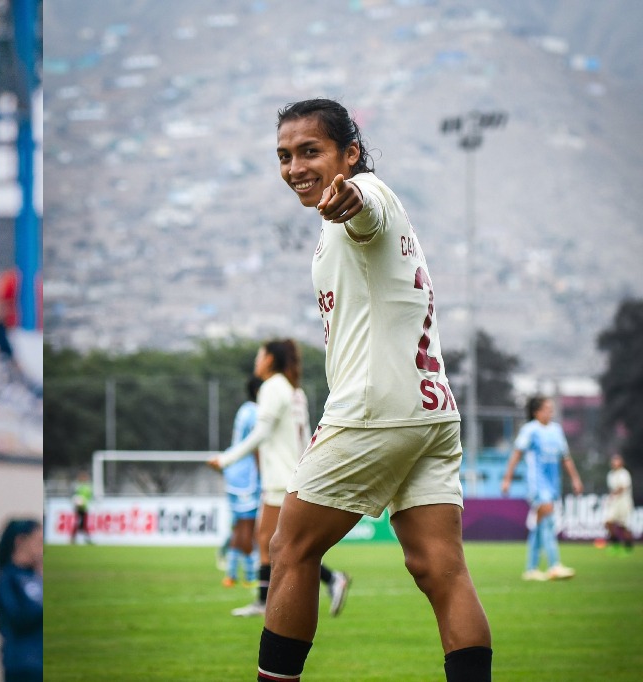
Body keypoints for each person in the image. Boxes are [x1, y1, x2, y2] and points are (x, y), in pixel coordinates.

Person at [251, 98, 493, 682]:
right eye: (284, 156)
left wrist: (353, 198)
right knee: (442, 570)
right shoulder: (356, 220)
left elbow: (368, 210)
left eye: (311, 151)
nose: (295, 168)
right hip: (431, 414)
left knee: (289, 551)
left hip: (372, 411)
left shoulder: (368, 196)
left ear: (350, 154)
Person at [209, 340, 349, 618]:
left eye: (260, 356)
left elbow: (260, 433)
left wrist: (225, 460)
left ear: (270, 360)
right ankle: (269, 598)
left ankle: (330, 579)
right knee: (272, 540)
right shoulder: (295, 391)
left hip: (279, 477)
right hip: (295, 472)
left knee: (275, 541)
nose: (257, 362)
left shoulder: (272, 387)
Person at [501, 396, 583, 580]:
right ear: (536, 412)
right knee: (547, 519)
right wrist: (507, 478)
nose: (550, 412)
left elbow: (565, 457)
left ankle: (531, 569)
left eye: (551, 408)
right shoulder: (530, 430)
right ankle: (554, 565)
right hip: (537, 483)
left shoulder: (556, 430)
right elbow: (517, 454)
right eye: (547, 408)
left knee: (539, 525)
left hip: (553, 484)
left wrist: (575, 479)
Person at [216, 375, 264, 588]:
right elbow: (256, 446)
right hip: (247, 476)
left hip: (234, 473)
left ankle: (231, 573)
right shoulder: (256, 413)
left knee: (239, 527)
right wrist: (263, 473)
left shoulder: (244, 409)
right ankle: (251, 575)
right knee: (248, 526)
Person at [0, 519, 43, 682]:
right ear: (20, 541)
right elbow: (16, 617)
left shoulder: (35, 577)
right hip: (23, 664)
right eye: (38, 541)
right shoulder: (7, 577)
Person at [604, 453, 634, 554]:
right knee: (608, 522)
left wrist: (613, 494)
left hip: (624, 502)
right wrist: (611, 497)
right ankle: (615, 544)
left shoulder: (624, 474)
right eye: (613, 460)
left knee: (623, 526)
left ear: (621, 463)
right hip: (614, 502)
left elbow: (622, 488)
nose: (614, 463)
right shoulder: (610, 474)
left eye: (617, 460)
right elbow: (612, 489)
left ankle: (628, 548)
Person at [70, 470, 93, 545]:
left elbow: (90, 497)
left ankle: (87, 539)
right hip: (78, 508)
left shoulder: (88, 487)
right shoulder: (77, 486)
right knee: (78, 524)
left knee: (84, 524)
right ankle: (74, 539)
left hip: (85, 508)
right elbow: (73, 496)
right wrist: (76, 503)